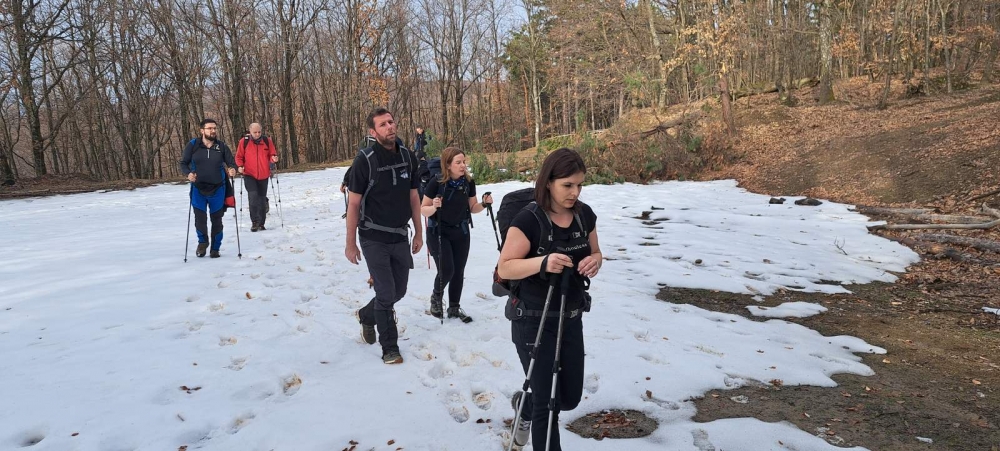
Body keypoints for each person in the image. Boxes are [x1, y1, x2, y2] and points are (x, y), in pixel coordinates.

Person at [497, 148, 602, 450]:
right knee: (547, 405)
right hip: (533, 320)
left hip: (570, 318)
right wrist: (542, 262)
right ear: (548, 183)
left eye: (579, 185)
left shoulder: (584, 215)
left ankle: (523, 405)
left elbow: (595, 251)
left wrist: (595, 261)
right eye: (567, 185)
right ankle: (534, 407)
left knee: (568, 398)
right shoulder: (528, 220)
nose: (575, 192)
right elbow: (505, 267)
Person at [345, 108, 423, 365]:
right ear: (373, 132)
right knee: (387, 293)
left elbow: (414, 197)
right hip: (373, 236)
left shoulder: (408, 157)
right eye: (383, 124)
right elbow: (353, 205)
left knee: (398, 291)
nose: (390, 127)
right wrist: (350, 243)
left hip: (400, 235)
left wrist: (419, 232)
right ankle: (390, 347)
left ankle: (367, 315)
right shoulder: (365, 161)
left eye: (391, 122)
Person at [420, 147, 493, 323]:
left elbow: (472, 207)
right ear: (448, 165)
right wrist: (434, 207)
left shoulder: (468, 182)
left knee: (458, 271)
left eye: (464, 162)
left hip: (461, 231)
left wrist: (483, 204)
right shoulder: (436, 183)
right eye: (458, 162)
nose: (463, 166)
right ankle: (436, 297)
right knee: (447, 269)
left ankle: (454, 307)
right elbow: (423, 209)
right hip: (438, 231)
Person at [180, 119, 238, 258]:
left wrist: (232, 170)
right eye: (210, 128)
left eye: (215, 128)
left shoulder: (221, 146)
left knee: (216, 219)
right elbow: (183, 163)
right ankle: (203, 243)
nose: (213, 131)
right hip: (198, 189)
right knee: (200, 219)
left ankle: (215, 248)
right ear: (202, 130)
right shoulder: (193, 145)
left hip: (218, 188)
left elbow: (231, 163)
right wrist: (188, 174)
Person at [236, 123, 279, 232]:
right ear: (250, 132)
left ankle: (261, 223)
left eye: (259, 132)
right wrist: (240, 166)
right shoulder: (244, 141)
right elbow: (239, 157)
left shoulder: (266, 141)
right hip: (249, 174)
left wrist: (273, 159)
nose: (257, 134)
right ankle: (254, 222)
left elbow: (272, 154)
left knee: (261, 199)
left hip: (264, 174)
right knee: (253, 196)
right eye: (255, 132)